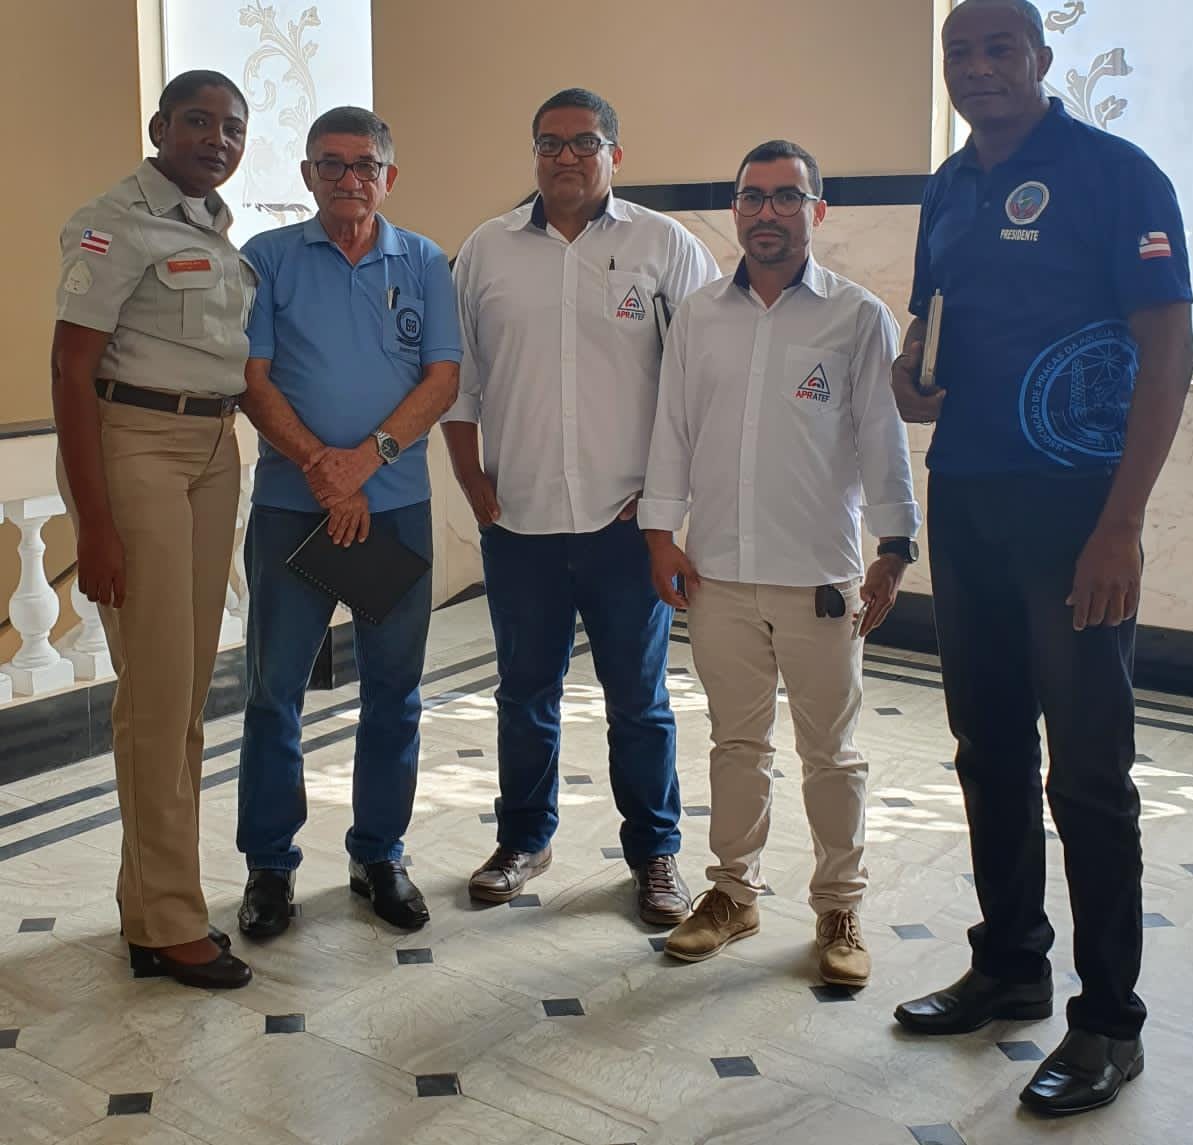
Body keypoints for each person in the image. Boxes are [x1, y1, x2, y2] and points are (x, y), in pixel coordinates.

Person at [890, 0, 1193, 1116]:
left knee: (1088, 773)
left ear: (1040, 57)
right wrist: (908, 376)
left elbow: (1169, 351)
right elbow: (928, 326)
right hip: (966, 497)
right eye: (958, 51)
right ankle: (1010, 963)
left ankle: (1108, 1020)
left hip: (1076, 514)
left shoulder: (1117, 175)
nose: (976, 67)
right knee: (987, 748)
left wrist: (1120, 525)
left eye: (997, 48)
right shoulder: (947, 186)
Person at [640, 140, 920, 983]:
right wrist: (660, 532)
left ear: (817, 211)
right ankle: (733, 893)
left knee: (831, 753)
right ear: (735, 210)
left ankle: (839, 906)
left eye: (786, 197)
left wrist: (895, 545)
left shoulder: (856, 316)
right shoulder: (699, 315)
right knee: (736, 743)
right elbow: (672, 429)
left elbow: (881, 438)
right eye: (752, 197)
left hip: (820, 577)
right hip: (718, 572)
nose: (768, 212)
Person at [442, 88, 720, 925]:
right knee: (525, 691)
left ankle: (655, 854)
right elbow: (460, 382)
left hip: (625, 525)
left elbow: (702, 381)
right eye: (550, 143)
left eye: (584, 142)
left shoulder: (665, 246)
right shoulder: (486, 251)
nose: (566, 156)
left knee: (639, 699)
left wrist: (667, 504)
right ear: (533, 153)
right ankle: (523, 838)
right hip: (518, 519)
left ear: (614, 155)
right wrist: (473, 484)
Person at [234, 106, 461, 937]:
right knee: (274, 694)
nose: (348, 178)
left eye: (364, 164)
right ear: (307, 175)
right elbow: (252, 378)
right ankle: (270, 865)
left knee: (394, 692)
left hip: (393, 511)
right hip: (291, 511)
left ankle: (379, 855)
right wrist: (323, 472)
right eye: (330, 164)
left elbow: (442, 379)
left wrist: (363, 464)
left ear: (388, 177)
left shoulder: (425, 261)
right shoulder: (267, 259)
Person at [50, 70, 255, 988]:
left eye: (232, 127)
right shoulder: (112, 221)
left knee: (186, 688)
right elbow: (70, 368)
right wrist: (94, 522)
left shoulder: (212, 228)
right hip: (136, 445)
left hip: (214, 446)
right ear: (159, 126)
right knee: (158, 693)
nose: (217, 139)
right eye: (198, 122)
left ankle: (152, 906)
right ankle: (169, 921)